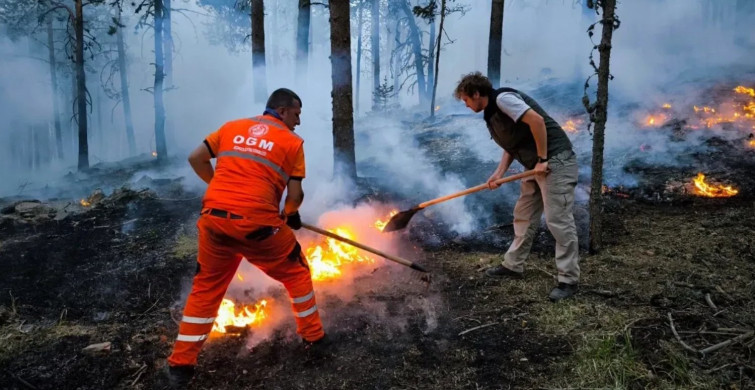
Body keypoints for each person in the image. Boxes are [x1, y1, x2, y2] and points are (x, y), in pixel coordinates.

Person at [165, 88, 328, 387]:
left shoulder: (232, 127)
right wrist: (291, 214)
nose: (299, 122)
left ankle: (180, 367)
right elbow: (295, 195)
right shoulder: (292, 142)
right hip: (257, 225)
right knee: (297, 273)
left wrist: (222, 189)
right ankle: (315, 341)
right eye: (296, 114)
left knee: (205, 290)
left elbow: (195, 157)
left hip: (214, 219)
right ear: (281, 110)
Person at [453, 72, 580, 302]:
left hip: (555, 162)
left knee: (558, 220)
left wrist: (542, 159)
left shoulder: (503, 100)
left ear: (476, 93)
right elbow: (512, 144)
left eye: (466, 99)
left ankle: (568, 280)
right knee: (523, 215)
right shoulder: (492, 114)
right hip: (535, 166)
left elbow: (537, 121)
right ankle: (513, 265)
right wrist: (499, 173)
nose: (466, 104)